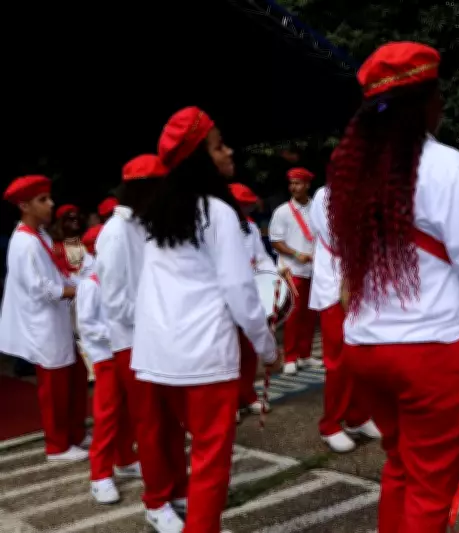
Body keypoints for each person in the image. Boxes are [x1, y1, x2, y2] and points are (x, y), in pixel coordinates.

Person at [327, 42, 459, 531]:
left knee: (400, 466)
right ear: (425, 103)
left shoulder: (353, 170)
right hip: (429, 353)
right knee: (432, 485)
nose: (442, 105)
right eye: (437, 95)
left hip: (365, 347)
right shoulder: (444, 163)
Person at [133, 107, 277, 533]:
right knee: (211, 460)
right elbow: (240, 289)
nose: (228, 151)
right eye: (218, 146)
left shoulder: (157, 213)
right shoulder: (217, 212)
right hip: (205, 356)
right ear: (200, 159)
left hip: (160, 356)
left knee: (187, 447)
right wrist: (267, 345)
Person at [95, 154, 167, 505]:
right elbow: (115, 302)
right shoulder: (116, 232)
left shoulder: (142, 224)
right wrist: (156, 317)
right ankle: (157, 499)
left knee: (159, 421)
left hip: (151, 336)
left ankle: (162, 484)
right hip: (131, 342)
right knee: (148, 423)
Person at [0, 175, 88, 461]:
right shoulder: (25, 243)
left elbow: (55, 274)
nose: (51, 204)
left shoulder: (41, 236)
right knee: (55, 387)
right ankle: (57, 446)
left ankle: (75, 434)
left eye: (49, 198)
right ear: (24, 206)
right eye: (42, 200)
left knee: (75, 378)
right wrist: (76, 290)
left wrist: (77, 282)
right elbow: (39, 288)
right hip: (44, 324)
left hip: (56, 319)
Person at [308, 184, 380, 453]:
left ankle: (357, 415)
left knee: (362, 354)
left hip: (360, 282)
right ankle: (330, 424)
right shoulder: (327, 194)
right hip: (335, 285)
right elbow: (340, 239)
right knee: (338, 359)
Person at [76, 224, 141, 504]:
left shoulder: (119, 279)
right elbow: (87, 326)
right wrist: (117, 334)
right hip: (107, 358)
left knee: (127, 412)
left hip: (126, 353)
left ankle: (125, 459)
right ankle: (99, 474)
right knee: (107, 416)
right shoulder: (90, 284)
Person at [229, 182, 277, 416]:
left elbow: (261, 256)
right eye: (242, 205)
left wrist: (271, 276)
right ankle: (230, 403)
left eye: (248, 206)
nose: (246, 210)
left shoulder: (250, 227)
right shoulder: (215, 229)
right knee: (229, 353)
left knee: (249, 350)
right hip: (225, 297)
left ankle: (247, 394)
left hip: (250, 292)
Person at [269, 167, 320, 375]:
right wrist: (297, 254)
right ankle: (290, 357)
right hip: (292, 269)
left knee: (310, 313)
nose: (293, 187)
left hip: (314, 269)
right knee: (294, 314)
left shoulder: (317, 208)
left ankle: (305, 355)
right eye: (291, 183)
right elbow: (276, 241)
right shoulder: (282, 211)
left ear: (307, 185)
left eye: (298, 183)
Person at [52, 204, 86, 276]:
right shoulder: (55, 247)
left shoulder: (85, 241)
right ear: (62, 222)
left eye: (77, 218)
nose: (76, 221)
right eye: (71, 218)